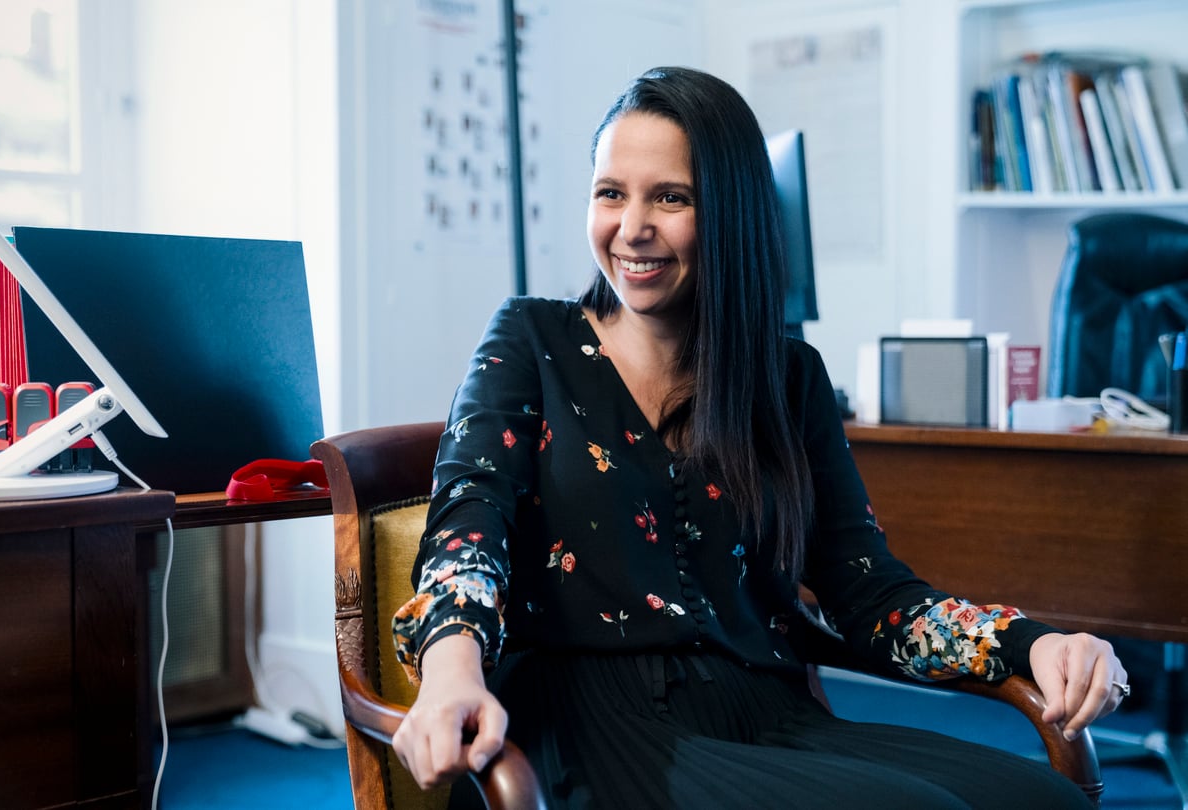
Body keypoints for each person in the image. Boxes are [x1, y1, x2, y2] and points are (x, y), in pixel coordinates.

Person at [389, 66, 1127, 809]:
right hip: (586, 722)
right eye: (610, 193)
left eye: (670, 198)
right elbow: (468, 527)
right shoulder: (528, 338)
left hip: (765, 713)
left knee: (1043, 801)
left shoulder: (788, 377)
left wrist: (1034, 642)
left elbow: (869, 593)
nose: (631, 227)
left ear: (729, 213)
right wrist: (452, 672)